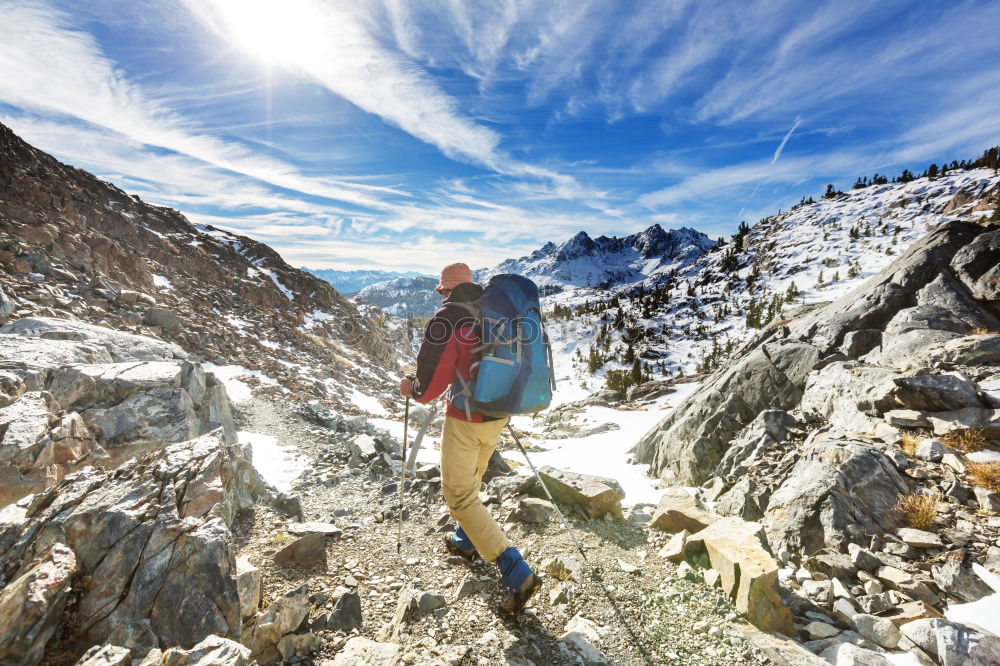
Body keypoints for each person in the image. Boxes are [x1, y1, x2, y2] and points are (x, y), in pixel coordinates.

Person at [399, 262, 542, 616]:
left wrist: (410, 389)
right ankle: (465, 542)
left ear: (445, 289)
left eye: (442, 291)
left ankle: (515, 569)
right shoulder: (492, 311)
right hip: (498, 413)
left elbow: (429, 386)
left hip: (466, 418)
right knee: (472, 481)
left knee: (459, 497)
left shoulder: (448, 319)